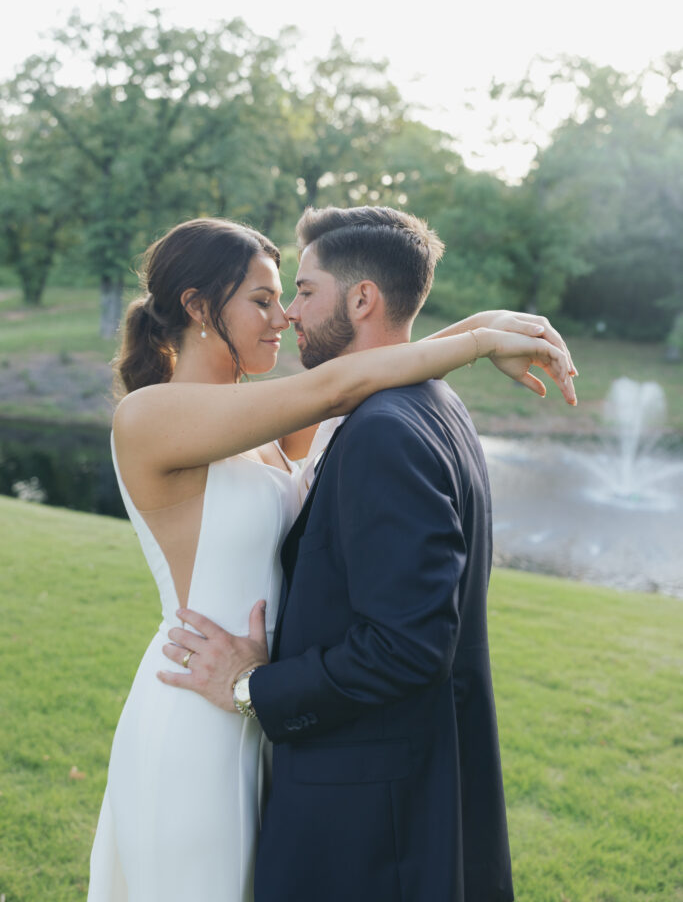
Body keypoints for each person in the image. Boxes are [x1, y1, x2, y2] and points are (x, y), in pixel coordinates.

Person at [152, 208, 576, 902]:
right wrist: (477, 331)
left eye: (302, 290)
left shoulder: (384, 431)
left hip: (364, 809)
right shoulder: (426, 404)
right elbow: (341, 391)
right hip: (370, 776)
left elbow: (408, 645)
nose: (289, 313)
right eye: (271, 298)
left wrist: (251, 688)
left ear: (361, 299)